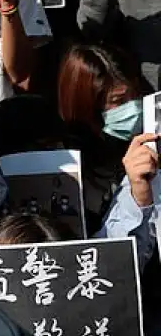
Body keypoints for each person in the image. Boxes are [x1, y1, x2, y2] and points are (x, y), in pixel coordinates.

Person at [56, 44, 159, 249]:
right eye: (118, 101)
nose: (133, 107)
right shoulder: (74, 170)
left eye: (135, 95)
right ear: (88, 106)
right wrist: (137, 194)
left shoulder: (149, 141)